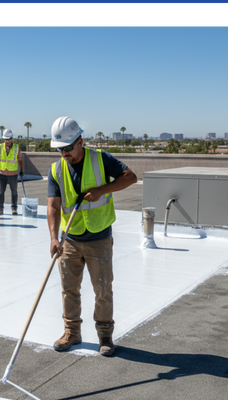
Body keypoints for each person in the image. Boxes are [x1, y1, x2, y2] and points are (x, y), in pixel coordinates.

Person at [46, 116, 137, 357]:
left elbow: (131, 177)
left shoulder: (101, 159)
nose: (64, 154)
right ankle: (71, 332)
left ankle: (105, 336)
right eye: (60, 149)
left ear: (80, 141)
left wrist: (101, 191)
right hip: (70, 240)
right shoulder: (56, 169)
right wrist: (54, 238)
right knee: (69, 290)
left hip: (99, 238)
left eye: (68, 148)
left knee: (103, 289)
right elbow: (53, 206)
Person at [0, 129, 24, 215]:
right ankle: (0, 209)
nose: (7, 141)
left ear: (12, 138)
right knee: (1, 192)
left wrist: (21, 170)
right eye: (5, 139)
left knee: (14, 192)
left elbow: (20, 159)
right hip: (2, 173)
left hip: (13, 173)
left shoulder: (17, 147)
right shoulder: (0, 146)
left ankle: (14, 208)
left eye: (8, 139)